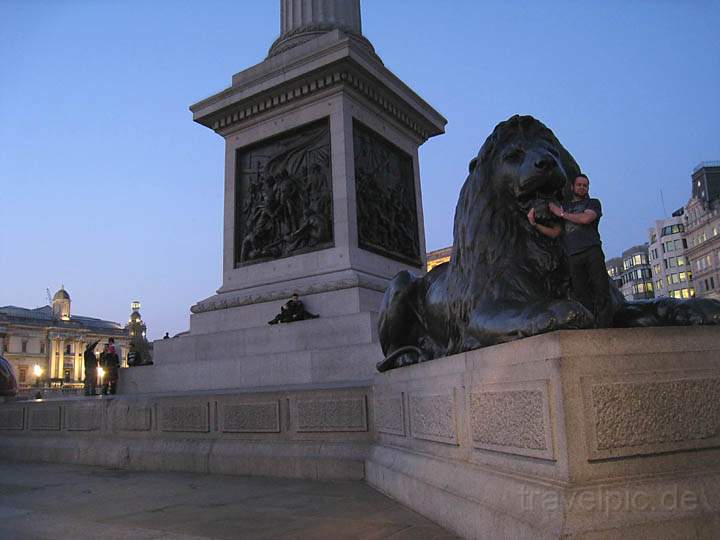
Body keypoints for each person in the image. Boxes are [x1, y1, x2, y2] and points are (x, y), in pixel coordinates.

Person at [527, 174, 613, 327]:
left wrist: (560, 213)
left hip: (591, 250)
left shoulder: (592, 203)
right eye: (579, 184)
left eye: (585, 185)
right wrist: (534, 224)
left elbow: (586, 219)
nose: (582, 187)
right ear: (572, 187)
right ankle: (589, 325)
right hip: (573, 255)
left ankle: (606, 326)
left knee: (601, 288)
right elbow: (555, 232)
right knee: (581, 293)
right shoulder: (565, 206)